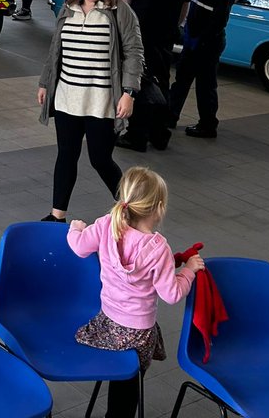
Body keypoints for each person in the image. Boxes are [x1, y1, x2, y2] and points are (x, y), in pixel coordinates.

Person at [67, 166, 203, 418]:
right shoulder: (157, 247)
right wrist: (189, 271)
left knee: (119, 374)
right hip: (138, 334)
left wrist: (75, 228)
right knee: (129, 382)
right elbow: (172, 294)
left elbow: (78, 247)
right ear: (160, 207)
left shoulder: (107, 224)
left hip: (107, 324)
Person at [38, 0, 144, 223]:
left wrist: (129, 92)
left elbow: (134, 52)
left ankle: (130, 209)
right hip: (67, 98)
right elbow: (55, 50)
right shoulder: (69, 7)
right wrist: (45, 82)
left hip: (101, 100)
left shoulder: (118, 10)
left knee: (100, 158)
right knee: (66, 156)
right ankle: (57, 214)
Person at [119, 0, 191, 152]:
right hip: (165, 39)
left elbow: (125, 5)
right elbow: (183, 11)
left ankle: (136, 136)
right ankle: (160, 134)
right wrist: (171, 28)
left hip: (141, 38)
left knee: (138, 83)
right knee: (162, 83)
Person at [168, 0, 237, 139]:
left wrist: (201, 42)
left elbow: (217, 23)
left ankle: (207, 125)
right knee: (181, 81)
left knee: (205, 87)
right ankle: (170, 116)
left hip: (207, 46)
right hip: (192, 43)